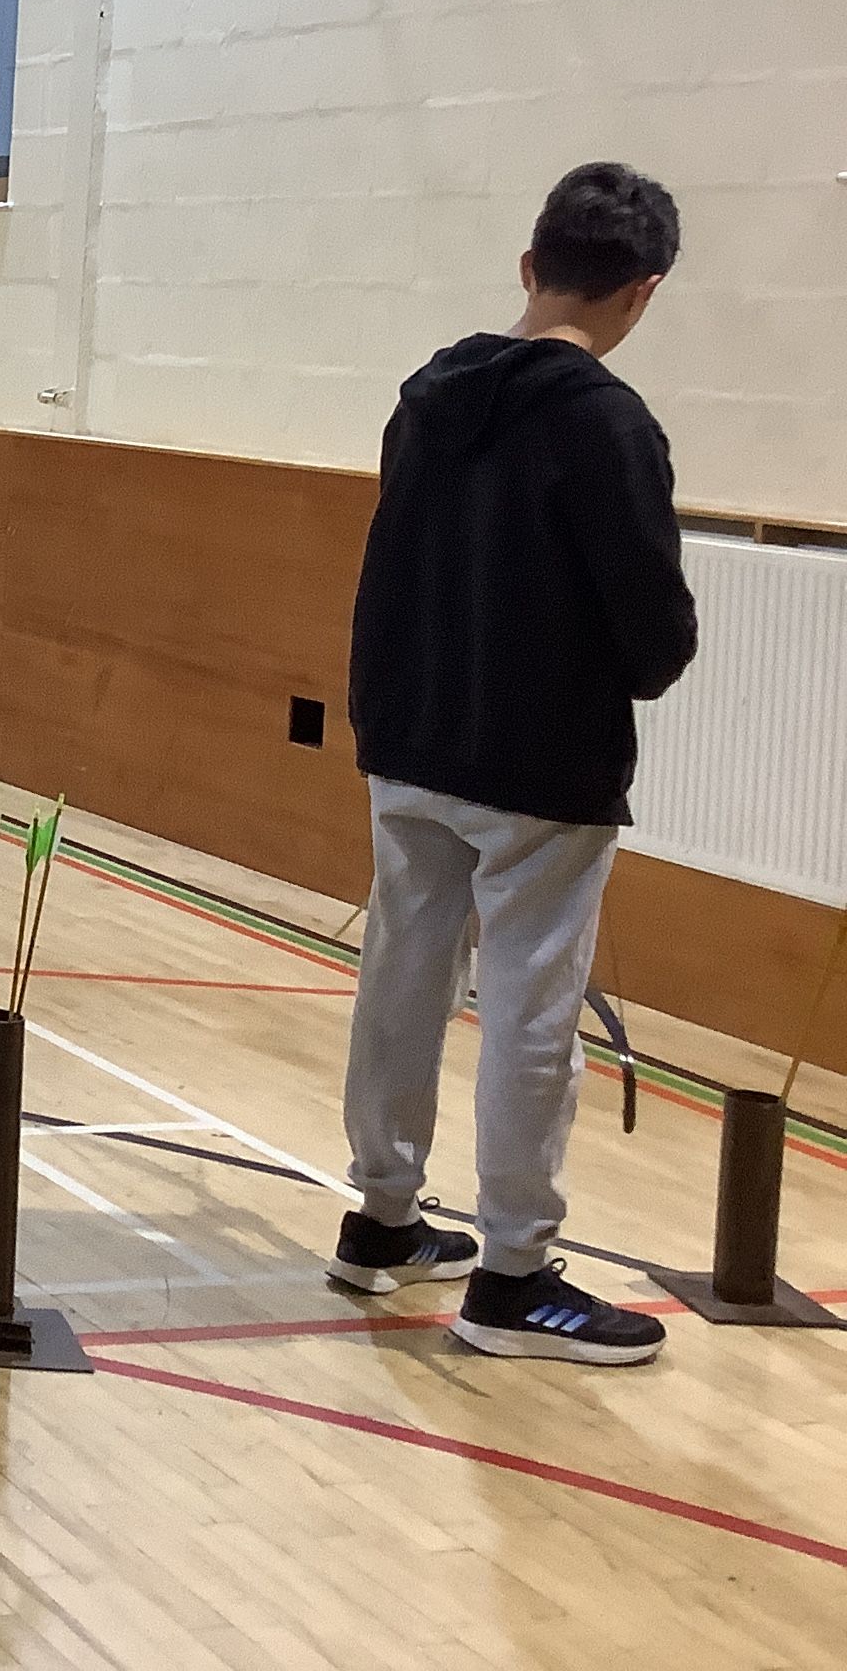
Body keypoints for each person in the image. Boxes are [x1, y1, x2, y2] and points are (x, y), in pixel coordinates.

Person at [336, 162, 696, 1365]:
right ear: (641, 293)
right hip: (540, 762)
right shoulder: (609, 423)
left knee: (404, 972)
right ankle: (514, 1274)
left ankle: (382, 1218)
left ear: (529, 266)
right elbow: (653, 632)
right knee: (531, 1009)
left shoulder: (427, 395)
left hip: (412, 732)